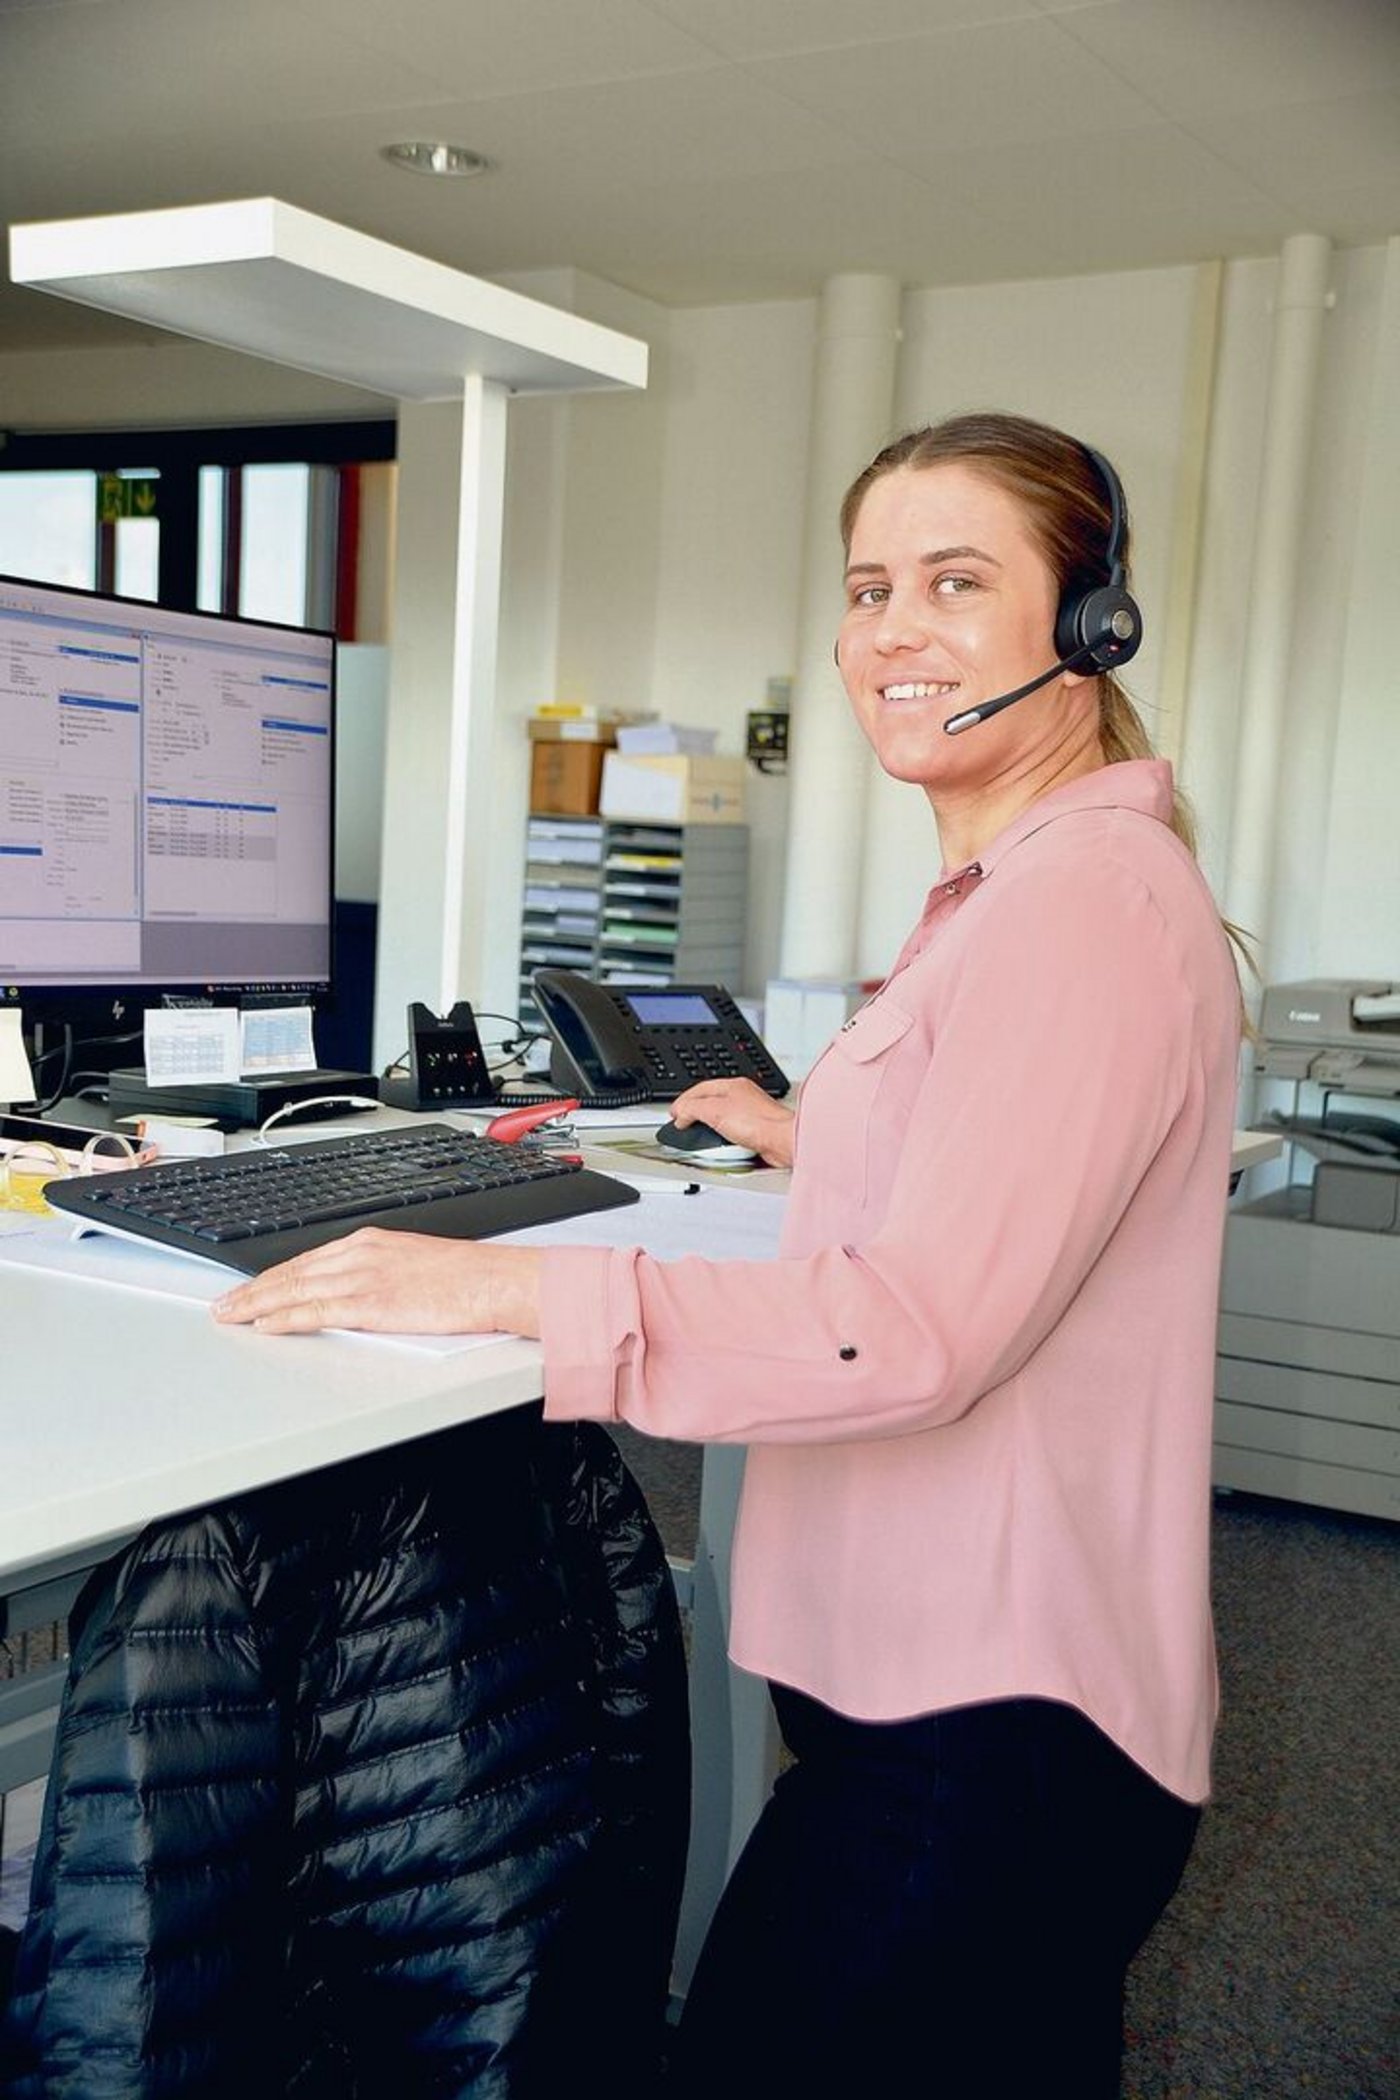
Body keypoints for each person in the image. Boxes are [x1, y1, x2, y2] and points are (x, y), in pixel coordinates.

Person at [214, 411, 1245, 2098]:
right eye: (867, 587)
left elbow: (912, 1331)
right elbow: (994, 1161)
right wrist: (818, 1129)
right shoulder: (1023, 886)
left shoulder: (1087, 907)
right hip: (964, 1704)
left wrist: (503, 1288)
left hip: (989, 1736)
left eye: (957, 581)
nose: (892, 631)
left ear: (1085, 625)